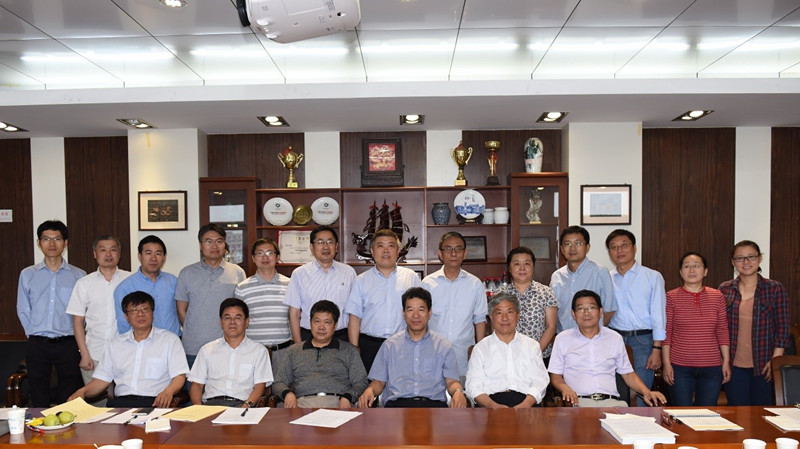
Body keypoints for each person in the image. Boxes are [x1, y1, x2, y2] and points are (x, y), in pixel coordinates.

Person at [69, 291, 189, 408]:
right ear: (126, 316)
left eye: (145, 309)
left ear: (152, 313)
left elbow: (179, 376)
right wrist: (83, 391)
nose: (140, 314)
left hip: (155, 403)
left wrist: (168, 392)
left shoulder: (170, 340)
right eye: (134, 311)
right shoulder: (116, 344)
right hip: (121, 404)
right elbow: (102, 380)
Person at [549, 290, 666, 408]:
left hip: (611, 404)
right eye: (580, 309)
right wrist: (565, 389)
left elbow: (627, 374)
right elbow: (555, 376)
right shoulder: (562, 339)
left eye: (591, 308)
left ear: (600, 312)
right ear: (573, 314)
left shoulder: (614, 338)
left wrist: (647, 392)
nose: (586, 313)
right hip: (578, 403)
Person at [358, 287, 467, 408]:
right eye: (410, 310)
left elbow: (452, 382)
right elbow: (379, 381)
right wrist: (370, 390)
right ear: (403, 313)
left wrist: (458, 392)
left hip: (433, 407)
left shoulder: (443, 346)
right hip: (397, 407)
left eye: (421, 310)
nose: (415, 315)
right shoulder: (389, 345)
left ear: (429, 313)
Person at [17, 220, 86, 406]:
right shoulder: (27, 274)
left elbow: (83, 312)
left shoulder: (78, 275)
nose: (52, 244)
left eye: (57, 239)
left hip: (68, 343)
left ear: (65, 243)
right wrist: (33, 333)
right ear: (39, 243)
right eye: (46, 239)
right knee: (38, 393)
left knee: (69, 396)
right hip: (38, 343)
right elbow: (23, 308)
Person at [719, 240, 790, 405]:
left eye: (751, 257)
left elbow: (783, 328)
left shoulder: (775, 288)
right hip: (733, 365)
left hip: (765, 364)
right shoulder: (725, 289)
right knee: (738, 413)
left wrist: (775, 361)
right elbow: (720, 327)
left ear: (760, 259)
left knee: (762, 413)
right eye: (740, 258)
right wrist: (723, 360)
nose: (746, 262)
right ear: (733, 262)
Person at [605, 229, 666, 406]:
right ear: (609, 252)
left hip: (643, 341)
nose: (619, 251)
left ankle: (643, 423)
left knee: (642, 393)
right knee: (617, 391)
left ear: (634, 248)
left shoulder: (652, 276)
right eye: (614, 247)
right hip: (615, 339)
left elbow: (659, 315)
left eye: (624, 245)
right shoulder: (607, 278)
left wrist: (657, 349)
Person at [345, 229, 421, 372]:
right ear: (372, 251)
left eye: (391, 246)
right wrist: (355, 349)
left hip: (404, 344)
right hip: (370, 346)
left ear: (398, 251)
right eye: (380, 246)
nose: (386, 251)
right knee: (370, 385)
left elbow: (420, 314)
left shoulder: (411, 278)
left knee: (402, 383)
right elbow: (354, 317)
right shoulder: (361, 281)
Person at [662, 252, 730, 406]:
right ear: (681, 272)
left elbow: (722, 330)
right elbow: (667, 333)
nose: (692, 270)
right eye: (687, 266)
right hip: (679, 367)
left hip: (712, 367)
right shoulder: (670, 297)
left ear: (705, 271)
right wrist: (666, 364)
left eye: (697, 266)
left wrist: (726, 361)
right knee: (682, 413)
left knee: (706, 413)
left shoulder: (717, 296)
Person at [272, 300, 367, 408]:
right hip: (302, 405)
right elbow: (278, 382)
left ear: (335, 325)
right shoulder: (294, 351)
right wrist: (288, 394)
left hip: (338, 403)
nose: (321, 327)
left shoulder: (349, 350)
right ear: (310, 323)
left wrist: (348, 397)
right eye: (317, 321)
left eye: (327, 322)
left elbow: (361, 382)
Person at [176, 223, 246, 367]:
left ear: (224, 244)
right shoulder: (187, 273)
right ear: (200, 245)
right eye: (208, 241)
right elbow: (181, 310)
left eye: (219, 241)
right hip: (193, 348)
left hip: (227, 346)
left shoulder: (237, 272)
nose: (214, 246)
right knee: (193, 382)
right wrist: (195, 329)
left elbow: (241, 311)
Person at [67, 235, 132, 386]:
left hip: (126, 353)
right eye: (103, 250)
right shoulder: (84, 283)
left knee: (126, 398)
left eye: (113, 250)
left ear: (119, 253)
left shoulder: (131, 280)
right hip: (94, 353)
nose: (108, 254)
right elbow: (77, 322)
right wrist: (84, 354)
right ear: (95, 254)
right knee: (94, 399)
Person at [421, 231, 487, 380]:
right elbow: (421, 319)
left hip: (464, 355)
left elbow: (480, 319)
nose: (453, 253)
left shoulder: (475, 284)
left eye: (458, 249)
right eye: (448, 249)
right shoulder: (428, 284)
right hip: (433, 353)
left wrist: (480, 350)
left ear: (465, 253)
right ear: (440, 254)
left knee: (462, 392)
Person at [465, 292, 549, 408]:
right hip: (490, 405)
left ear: (518, 315)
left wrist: (525, 405)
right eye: (499, 313)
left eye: (510, 312)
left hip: (526, 404)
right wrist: (493, 406)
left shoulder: (532, 346)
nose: (504, 318)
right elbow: (473, 386)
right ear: (491, 316)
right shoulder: (480, 348)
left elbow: (540, 381)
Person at [188, 298, 272, 407]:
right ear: (221, 322)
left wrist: (246, 406)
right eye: (227, 318)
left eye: (238, 318)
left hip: (242, 405)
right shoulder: (207, 350)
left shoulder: (259, 351)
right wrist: (199, 409)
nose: (232, 322)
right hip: (211, 405)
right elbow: (197, 385)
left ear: (247, 322)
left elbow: (259, 386)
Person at [284, 225, 356, 343]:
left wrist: (353, 344)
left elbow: (354, 311)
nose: (325, 246)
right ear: (311, 247)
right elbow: (294, 313)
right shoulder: (299, 274)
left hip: (341, 336)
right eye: (320, 242)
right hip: (309, 336)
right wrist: (298, 346)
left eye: (330, 242)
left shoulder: (349, 272)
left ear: (336, 246)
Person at [234, 238, 291, 373]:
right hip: (253, 352)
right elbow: (239, 321)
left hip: (283, 351)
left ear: (277, 257)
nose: (265, 257)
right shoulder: (242, 287)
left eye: (269, 253)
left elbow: (295, 317)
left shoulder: (290, 284)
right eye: (260, 253)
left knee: (282, 386)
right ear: (253, 258)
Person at [495, 246, 558, 364]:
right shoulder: (500, 294)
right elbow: (496, 326)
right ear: (509, 268)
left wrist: (535, 353)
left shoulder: (546, 292)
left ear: (533, 266)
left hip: (540, 357)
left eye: (527, 264)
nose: (522, 268)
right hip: (509, 357)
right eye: (517, 264)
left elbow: (551, 327)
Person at [550, 225, 617, 332]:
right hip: (564, 337)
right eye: (568, 244)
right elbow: (553, 311)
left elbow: (609, 310)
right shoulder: (557, 276)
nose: (572, 248)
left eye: (578, 243)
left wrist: (592, 332)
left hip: (592, 337)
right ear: (562, 249)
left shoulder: (600, 272)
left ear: (587, 247)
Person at [114, 235, 180, 335]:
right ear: (140, 256)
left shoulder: (173, 281)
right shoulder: (125, 288)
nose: (153, 258)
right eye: (148, 253)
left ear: (164, 257)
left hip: (173, 340)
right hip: (141, 342)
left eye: (158, 253)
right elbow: (124, 323)